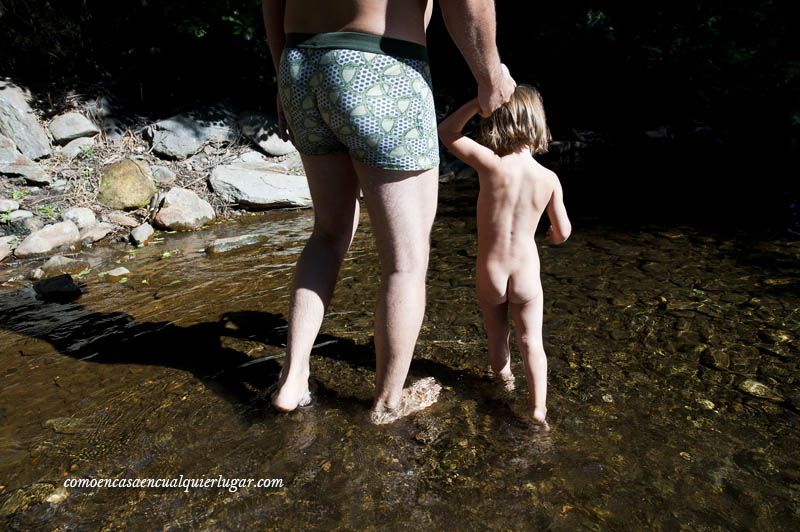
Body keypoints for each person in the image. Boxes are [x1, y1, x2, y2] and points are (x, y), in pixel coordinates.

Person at [261, 0, 517, 423]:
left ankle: (293, 377)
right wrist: (489, 75)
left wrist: (281, 74)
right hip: (379, 69)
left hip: (300, 64)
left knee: (327, 232)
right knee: (405, 262)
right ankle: (386, 404)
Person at [438, 85, 571, 427]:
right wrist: (552, 237)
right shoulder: (548, 178)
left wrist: (478, 100)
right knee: (532, 342)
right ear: (537, 125)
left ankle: (504, 383)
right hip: (526, 273)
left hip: (491, 271)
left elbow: (447, 132)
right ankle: (538, 407)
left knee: (498, 336)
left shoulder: (490, 165)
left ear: (496, 122)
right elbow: (563, 231)